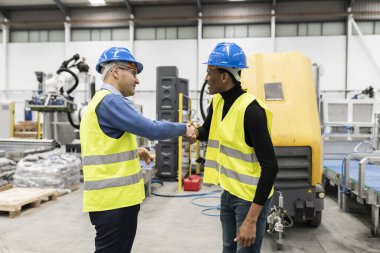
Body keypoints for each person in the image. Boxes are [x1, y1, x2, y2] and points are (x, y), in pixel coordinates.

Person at [80, 46, 195, 253]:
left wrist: (136, 152)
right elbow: (151, 128)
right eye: (133, 73)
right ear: (115, 71)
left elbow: (103, 147)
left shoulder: (98, 102)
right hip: (114, 203)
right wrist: (184, 128)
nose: (137, 80)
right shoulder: (110, 101)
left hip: (110, 202)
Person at [187, 42, 278, 253]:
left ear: (225, 76)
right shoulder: (217, 102)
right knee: (228, 248)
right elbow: (208, 130)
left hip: (250, 199)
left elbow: (271, 167)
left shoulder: (252, 112)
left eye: (209, 72)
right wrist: (195, 134)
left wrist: (251, 220)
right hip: (228, 192)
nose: (206, 78)